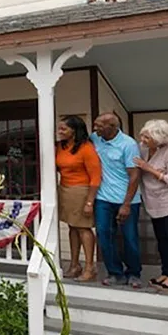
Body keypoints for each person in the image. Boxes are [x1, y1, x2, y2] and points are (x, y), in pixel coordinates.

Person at [91, 113, 143, 288]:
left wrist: (126, 204)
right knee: (104, 235)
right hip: (103, 198)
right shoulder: (96, 139)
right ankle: (115, 272)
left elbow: (134, 175)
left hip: (127, 200)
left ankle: (134, 273)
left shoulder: (128, 144)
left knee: (129, 238)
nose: (95, 128)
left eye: (99, 125)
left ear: (112, 127)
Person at [134, 119, 168, 290]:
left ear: (159, 138)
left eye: (147, 137)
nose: (142, 140)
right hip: (152, 201)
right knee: (161, 238)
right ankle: (165, 271)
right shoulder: (143, 149)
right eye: (142, 135)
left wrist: (148, 168)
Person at [55, 116, 102, 282]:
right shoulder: (60, 147)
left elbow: (96, 176)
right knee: (72, 227)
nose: (60, 132)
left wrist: (90, 201)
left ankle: (90, 267)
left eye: (63, 129)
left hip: (81, 191)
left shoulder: (86, 148)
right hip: (65, 189)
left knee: (83, 228)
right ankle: (74, 265)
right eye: (59, 128)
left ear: (74, 131)